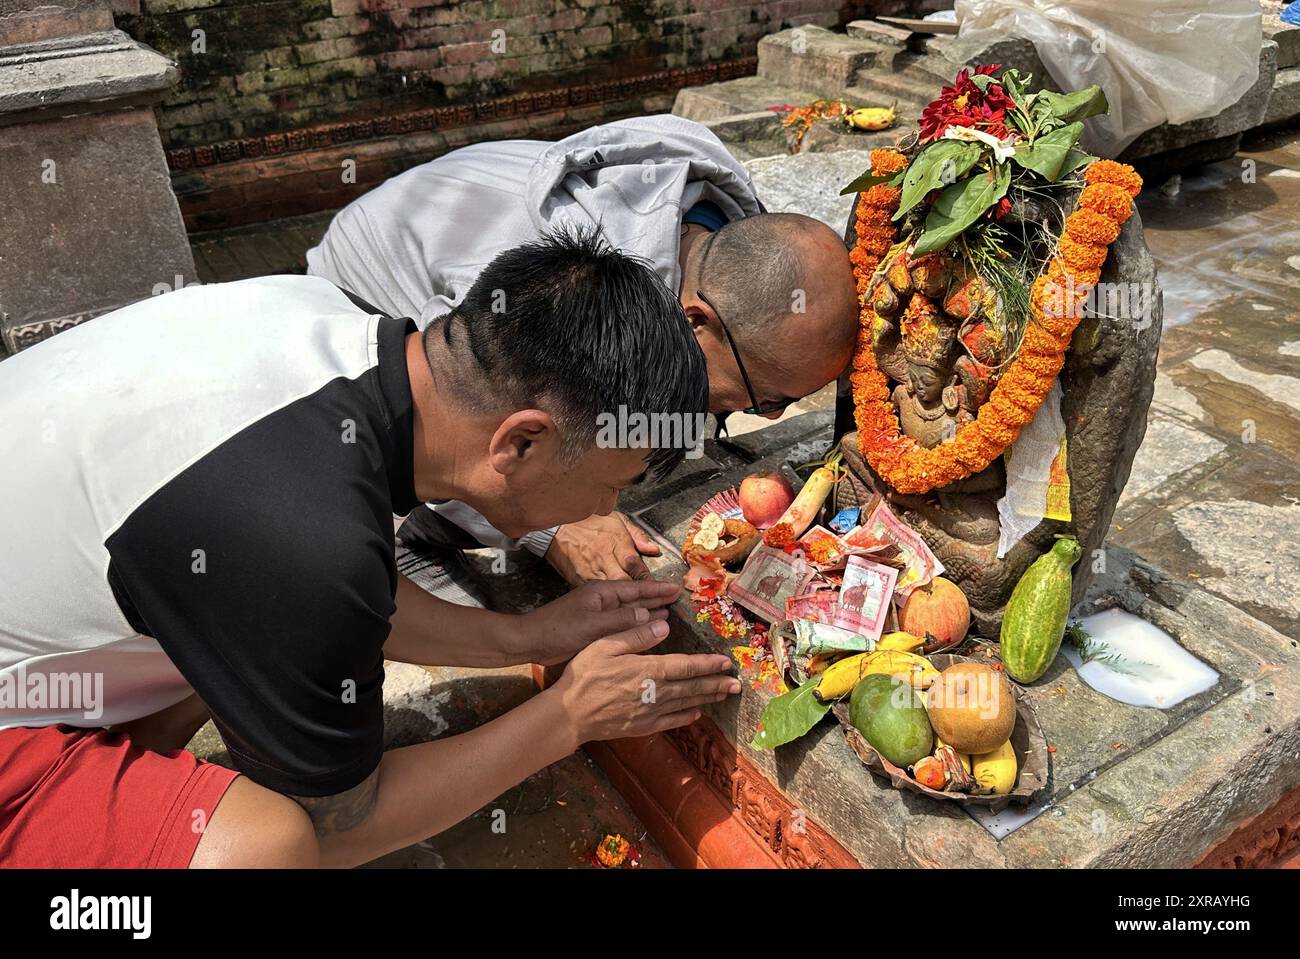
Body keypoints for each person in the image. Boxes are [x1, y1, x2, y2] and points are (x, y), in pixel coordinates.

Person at [0, 230, 740, 868]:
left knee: (246, 639)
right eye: (610, 483)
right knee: (266, 845)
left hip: (49, 649)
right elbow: (338, 829)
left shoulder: (332, 326)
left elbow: (344, 597)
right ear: (520, 440)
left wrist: (528, 635)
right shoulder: (296, 532)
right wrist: (571, 715)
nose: (606, 512)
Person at [308, 115, 860, 585]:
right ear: (696, 321)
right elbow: (456, 411)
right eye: (764, 397)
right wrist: (557, 529)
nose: (768, 415)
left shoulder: (726, 242)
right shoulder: (557, 286)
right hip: (370, 284)